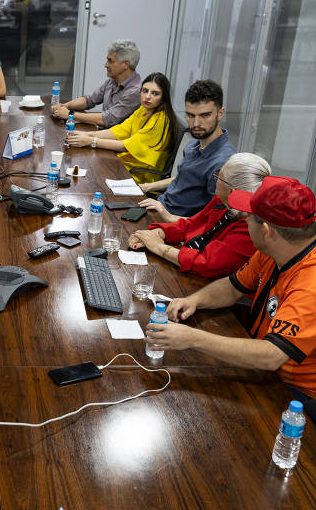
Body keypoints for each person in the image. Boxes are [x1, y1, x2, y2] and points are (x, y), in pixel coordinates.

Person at [146, 176, 316, 401]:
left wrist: (192, 338)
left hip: (293, 392)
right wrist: (195, 300)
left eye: (249, 217)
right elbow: (233, 286)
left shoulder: (310, 284)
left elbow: (272, 356)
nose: (244, 221)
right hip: (262, 368)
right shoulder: (274, 250)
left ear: (266, 231)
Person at [127, 153, 270, 279]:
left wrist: (158, 246)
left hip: (209, 285)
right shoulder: (223, 200)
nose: (215, 181)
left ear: (231, 190)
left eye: (218, 176)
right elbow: (191, 225)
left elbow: (207, 263)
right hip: (188, 264)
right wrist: (158, 233)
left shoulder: (251, 226)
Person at [138, 80, 236, 222]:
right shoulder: (193, 144)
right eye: (190, 115)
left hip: (175, 223)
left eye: (205, 115)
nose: (196, 124)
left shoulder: (223, 163)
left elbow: (212, 222)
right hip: (159, 206)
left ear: (220, 113)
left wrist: (168, 216)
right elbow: (183, 179)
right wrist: (146, 187)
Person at [66, 72, 178, 184]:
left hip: (139, 175)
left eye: (155, 93)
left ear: (163, 97)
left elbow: (125, 146)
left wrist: (91, 141)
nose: (148, 96)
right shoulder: (143, 110)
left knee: (90, 174)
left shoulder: (161, 120)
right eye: (145, 91)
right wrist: (86, 134)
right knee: (87, 165)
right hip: (125, 163)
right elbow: (119, 131)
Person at [51, 39, 141, 127]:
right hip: (102, 134)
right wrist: (64, 106)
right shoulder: (112, 81)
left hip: (116, 140)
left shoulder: (135, 91)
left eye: (110, 61)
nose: (106, 65)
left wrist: (70, 114)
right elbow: (89, 100)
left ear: (125, 64)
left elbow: (108, 119)